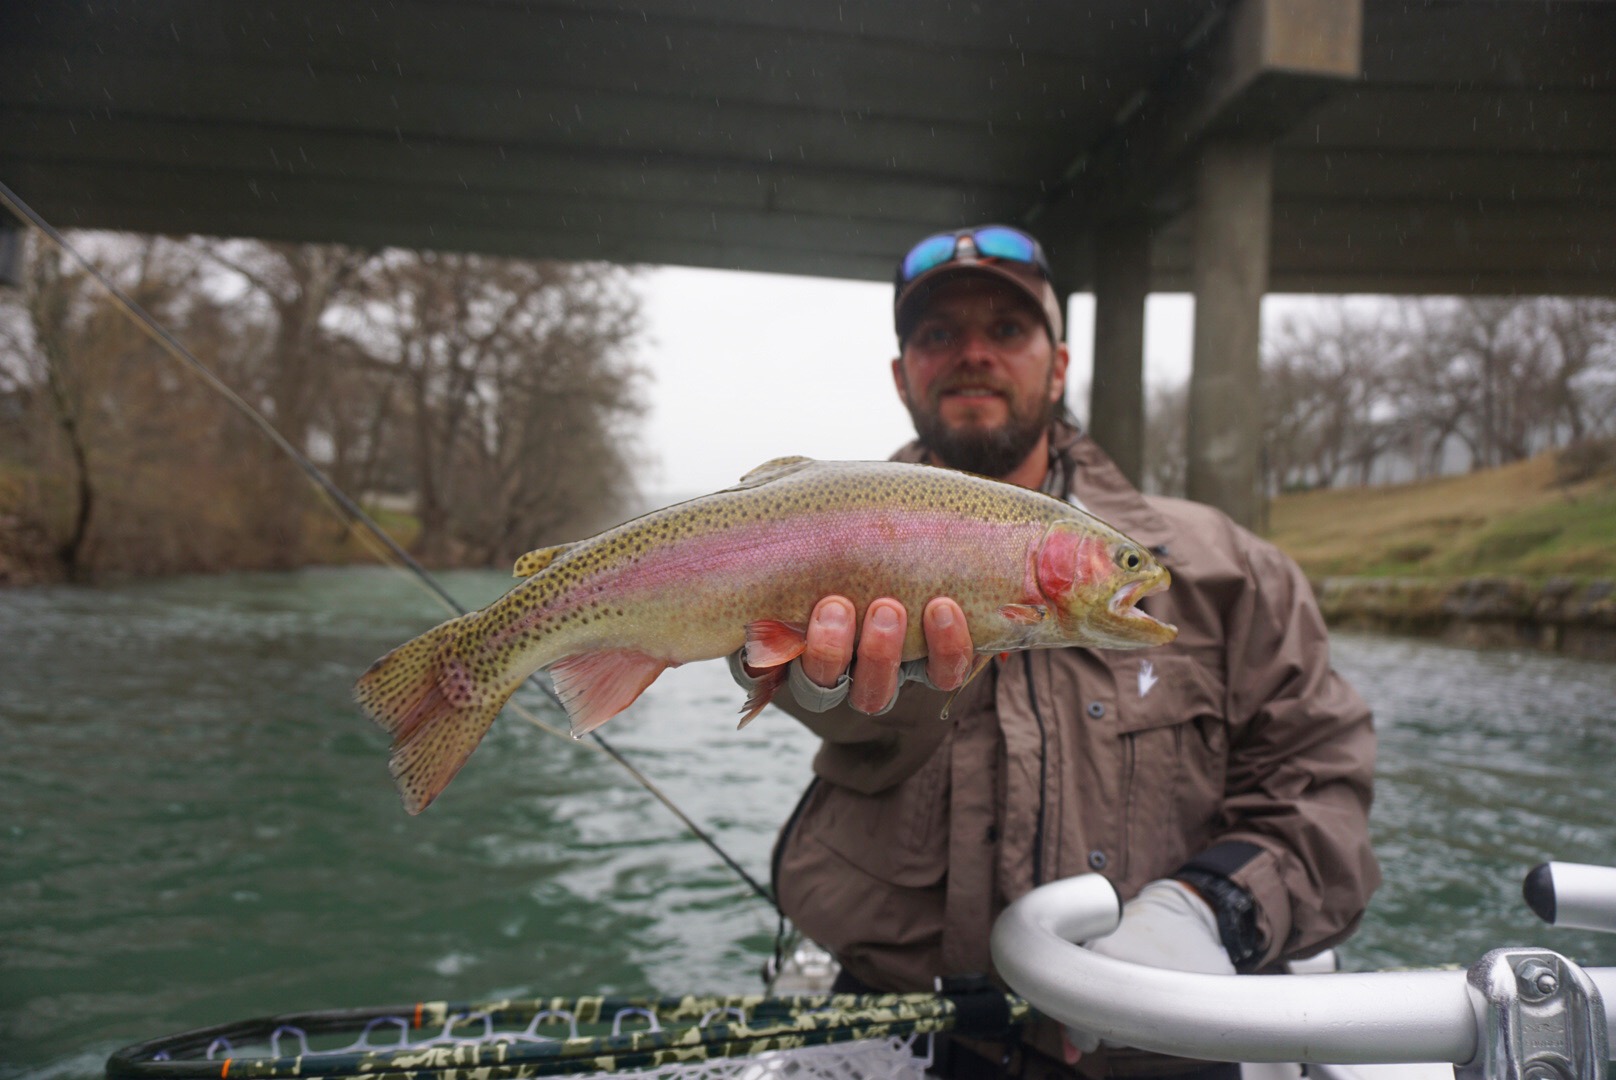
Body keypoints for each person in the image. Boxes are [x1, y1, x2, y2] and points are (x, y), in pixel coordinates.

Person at [733, 225, 1379, 1080]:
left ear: (1060, 364)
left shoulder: (1234, 570)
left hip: (1155, 1036)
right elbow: (815, 703)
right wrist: (820, 688)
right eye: (938, 335)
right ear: (901, 377)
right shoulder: (826, 545)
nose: (973, 355)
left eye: (1007, 330)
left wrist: (1212, 909)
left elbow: (1320, 782)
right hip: (906, 1023)